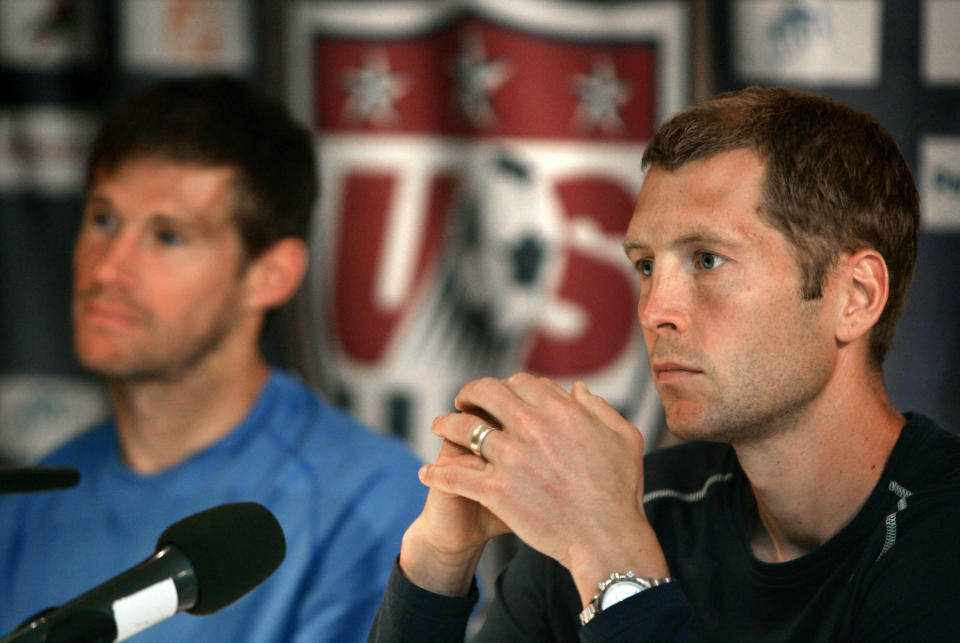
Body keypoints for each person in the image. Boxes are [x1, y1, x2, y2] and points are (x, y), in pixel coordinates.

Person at [366, 86, 960, 641]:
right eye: (647, 265)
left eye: (707, 259)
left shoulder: (942, 533)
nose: (655, 311)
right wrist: (438, 564)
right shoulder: (625, 509)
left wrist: (616, 564)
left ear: (855, 297)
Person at [0, 75, 426, 642]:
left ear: (270, 276)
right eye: (104, 220)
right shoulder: (29, 504)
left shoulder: (370, 503)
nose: (107, 270)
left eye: (168, 236)